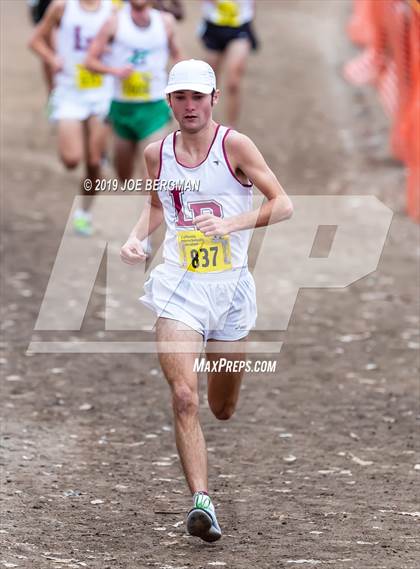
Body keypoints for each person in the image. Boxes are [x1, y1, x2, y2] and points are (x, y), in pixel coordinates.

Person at [120, 59, 293, 542]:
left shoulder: (234, 145)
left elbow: (283, 203)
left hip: (231, 290)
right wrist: (137, 239)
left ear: (214, 98)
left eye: (198, 96)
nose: (190, 105)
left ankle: (220, 416)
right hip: (178, 285)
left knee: (222, 407)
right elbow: (157, 205)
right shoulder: (157, 153)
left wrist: (231, 225)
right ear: (169, 102)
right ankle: (202, 503)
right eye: (181, 97)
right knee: (183, 397)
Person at [29, 0, 115, 236]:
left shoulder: (112, 9)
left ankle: (84, 213)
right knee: (71, 159)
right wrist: (52, 58)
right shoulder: (62, 7)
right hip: (70, 92)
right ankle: (81, 138)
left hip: (102, 93)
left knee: (95, 162)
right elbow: (35, 40)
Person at [85, 0, 183, 182]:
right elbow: (90, 61)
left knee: (151, 176)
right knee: (124, 175)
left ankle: (150, 208)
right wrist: (114, 71)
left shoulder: (165, 22)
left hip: (155, 108)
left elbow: (177, 55)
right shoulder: (113, 22)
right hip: (122, 108)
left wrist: (183, 82)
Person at [199, 0, 258, 128]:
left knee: (233, 82)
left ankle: (231, 129)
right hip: (213, 26)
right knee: (208, 82)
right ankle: (204, 125)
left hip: (240, 27)